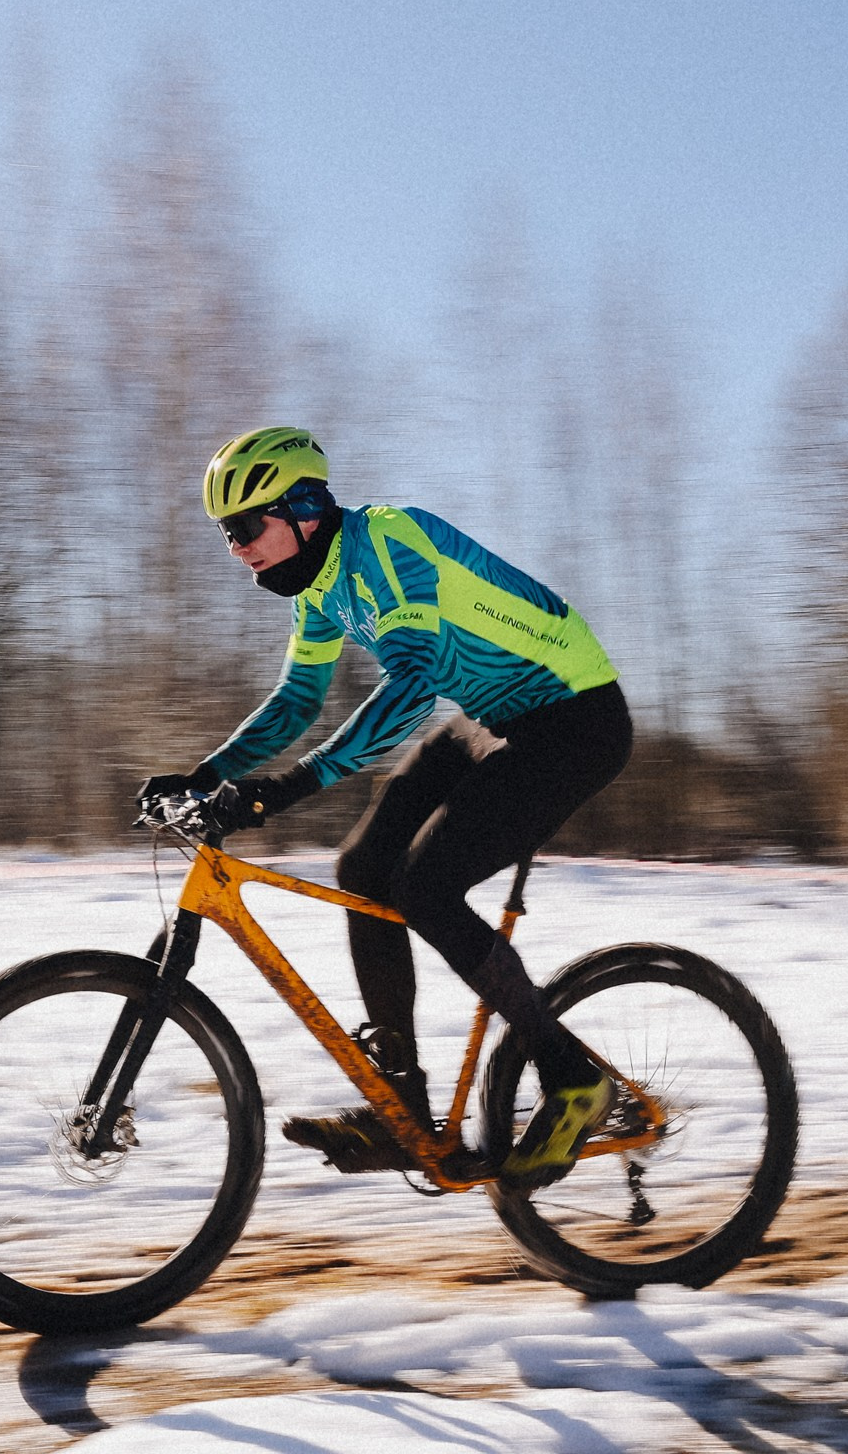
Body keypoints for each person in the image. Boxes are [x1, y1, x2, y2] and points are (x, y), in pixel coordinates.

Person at [137, 426, 633, 1185]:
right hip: (495, 718)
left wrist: (295, 784)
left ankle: (573, 1078)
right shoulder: (322, 586)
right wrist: (205, 775)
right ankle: (400, 1109)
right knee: (362, 864)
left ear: (304, 509)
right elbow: (297, 699)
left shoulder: (389, 540)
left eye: (244, 527)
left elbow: (412, 682)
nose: (235, 547)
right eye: (224, 535)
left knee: (427, 887)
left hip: (574, 718)